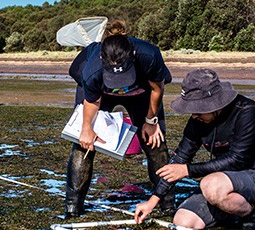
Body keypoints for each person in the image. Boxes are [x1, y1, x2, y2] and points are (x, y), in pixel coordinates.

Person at [134, 68, 255, 230]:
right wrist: (153, 200)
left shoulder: (248, 112)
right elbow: (180, 159)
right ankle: (232, 211)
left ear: (215, 103)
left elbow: (237, 159)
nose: (194, 115)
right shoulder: (197, 121)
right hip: (224, 183)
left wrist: (188, 171)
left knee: (210, 185)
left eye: (198, 109)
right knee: (183, 222)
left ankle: (252, 217)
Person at [65, 20, 174, 218]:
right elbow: (92, 101)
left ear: (132, 55)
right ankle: (73, 207)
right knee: (83, 146)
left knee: (156, 143)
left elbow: (157, 88)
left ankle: (167, 205)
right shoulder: (92, 70)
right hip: (100, 94)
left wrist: (151, 121)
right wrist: (87, 128)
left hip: (141, 92)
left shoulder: (148, 55)